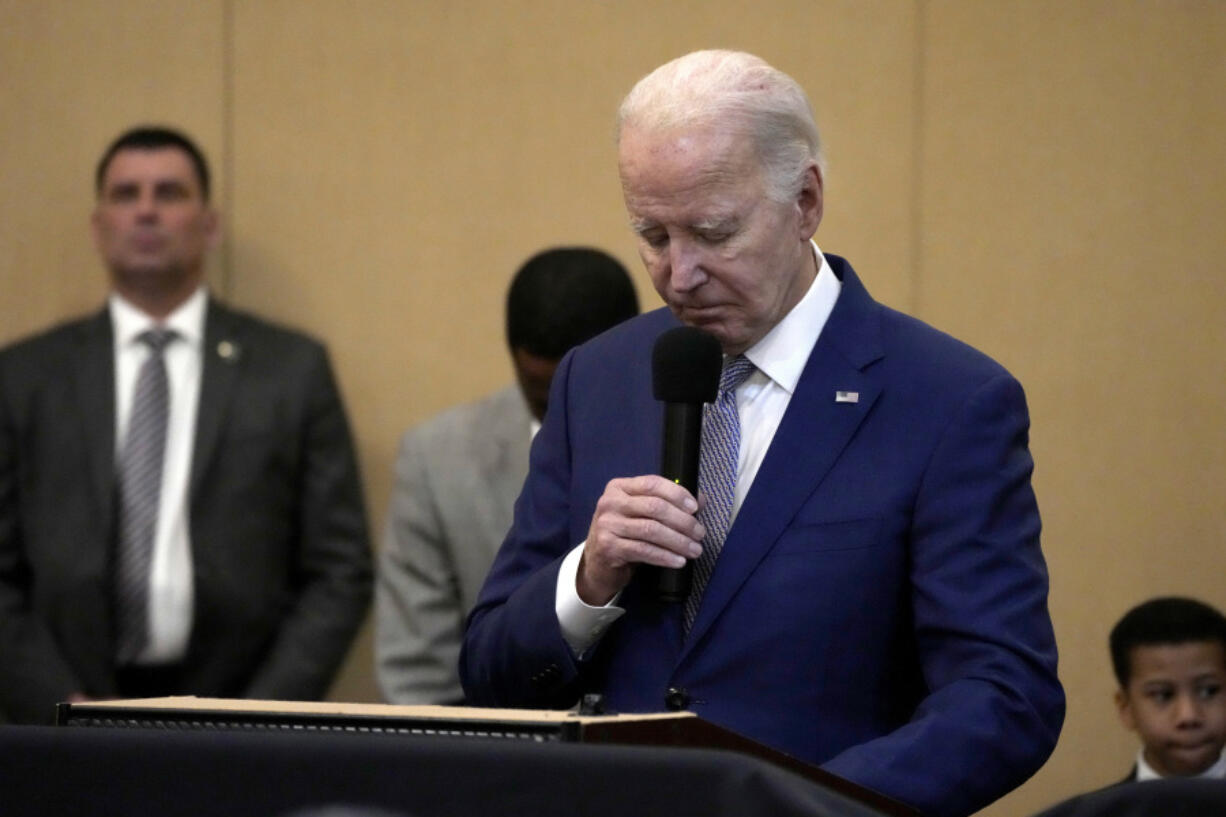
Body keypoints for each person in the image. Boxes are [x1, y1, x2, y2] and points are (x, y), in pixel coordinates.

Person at [460, 50, 1064, 817]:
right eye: (652, 234)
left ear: (805, 200)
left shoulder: (949, 400)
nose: (678, 275)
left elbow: (1004, 697)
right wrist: (588, 577)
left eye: (713, 233)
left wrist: (804, 804)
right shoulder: (597, 378)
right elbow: (487, 671)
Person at [0, 125, 372, 724]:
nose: (146, 210)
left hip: (238, 715)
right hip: (62, 718)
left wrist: (255, 715)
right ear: (98, 226)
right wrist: (61, 705)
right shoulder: (25, 377)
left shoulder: (290, 369)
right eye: (126, 195)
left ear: (210, 223)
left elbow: (339, 569)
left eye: (169, 193)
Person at [376, 247, 639, 704]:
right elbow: (417, 678)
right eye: (541, 395)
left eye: (580, 389)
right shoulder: (438, 459)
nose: (562, 413)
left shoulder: (700, 434)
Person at [1109, 596, 1226, 782]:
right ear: (1126, 708)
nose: (1188, 716)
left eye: (1208, 691)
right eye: (1163, 695)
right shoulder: (1096, 811)